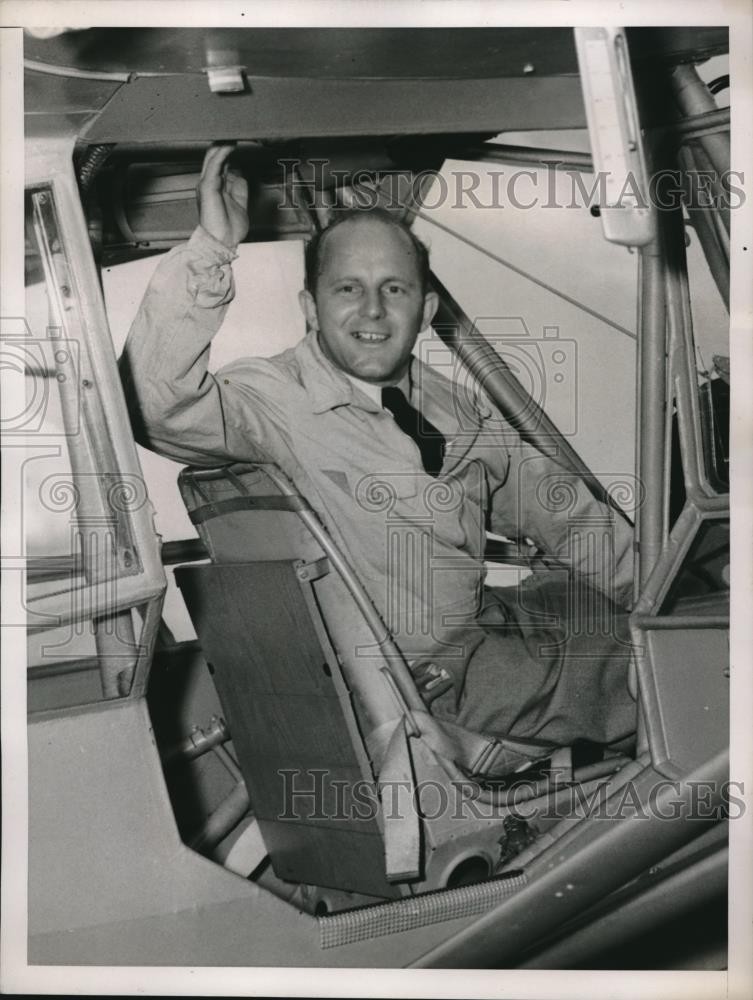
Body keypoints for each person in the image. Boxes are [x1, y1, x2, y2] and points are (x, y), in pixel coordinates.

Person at [122, 144, 637, 750]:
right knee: (677, 669)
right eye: (347, 289)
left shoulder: (447, 402)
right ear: (310, 309)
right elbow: (155, 403)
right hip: (439, 681)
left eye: (395, 289)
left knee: (633, 616)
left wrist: (655, 591)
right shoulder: (275, 397)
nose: (372, 309)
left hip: (479, 630)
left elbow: (558, 510)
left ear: (427, 309)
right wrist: (212, 248)